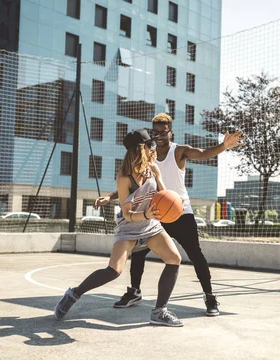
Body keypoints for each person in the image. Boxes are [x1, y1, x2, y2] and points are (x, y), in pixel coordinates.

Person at [94, 113, 244, 316]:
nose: (159, 135)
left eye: (163, 132)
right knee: (138, 252)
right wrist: (110, 197)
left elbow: (203, 153)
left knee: (195, 254)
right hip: (155, 212)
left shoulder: (179, 151)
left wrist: (223, 146)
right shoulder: (146, 155)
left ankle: (209, 296)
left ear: (170, 132)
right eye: (155, 132)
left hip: (180, 211)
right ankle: (134, 291)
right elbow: (134, 186)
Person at [55, 129, 184, 327]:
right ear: (142, 149)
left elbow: (163, 195)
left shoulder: (154, 169)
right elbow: (127, 214)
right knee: (113, 271)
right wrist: (146, 213)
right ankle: (74, 294)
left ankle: (159, 311)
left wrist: (173, 206)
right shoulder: (124, 177)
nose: (155, 148)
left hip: (150, 226)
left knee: (174, 259)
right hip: (129, 227)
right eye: (151, 145)